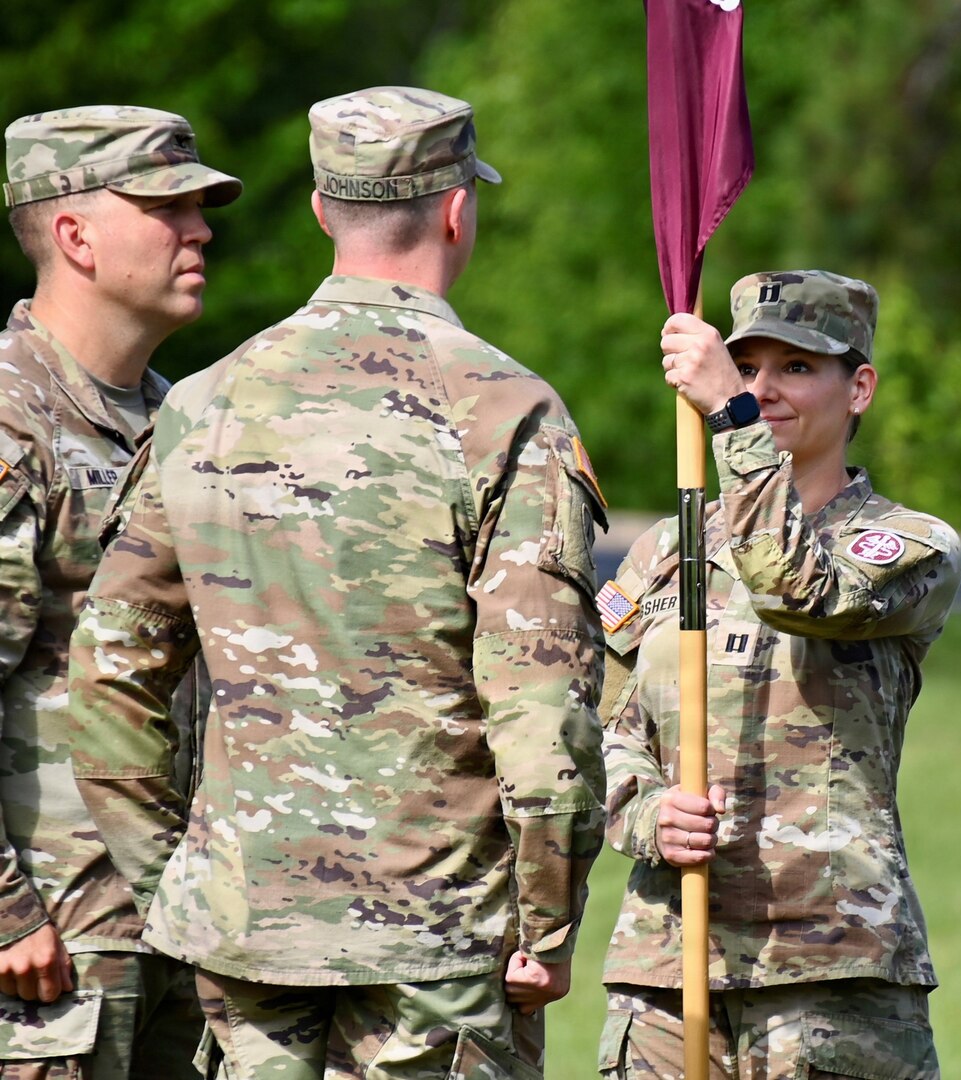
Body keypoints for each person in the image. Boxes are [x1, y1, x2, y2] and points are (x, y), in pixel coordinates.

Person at [64, 86, 607, 1079]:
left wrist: (178, 886)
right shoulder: (503, 409)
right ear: (456, 209)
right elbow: (543, 709)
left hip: (248, 930)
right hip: (438, 944)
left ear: (321, 211)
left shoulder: (201, 405)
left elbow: (107, 681)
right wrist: (546, 917)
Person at [595, 271, 961, 1079]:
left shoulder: (907, 543)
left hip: (829, 969)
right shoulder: (668, 549)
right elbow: (594, 720)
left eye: (796, 367)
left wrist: (732, 422)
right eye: (747, 367)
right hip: (669, 971)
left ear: (858, 386)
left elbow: (797, 589)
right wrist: (647, 812)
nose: (763, 388)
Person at [0, 105, 239, 1078]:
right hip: (48, 947)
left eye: (200, 207)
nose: (201, 230)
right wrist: (7, 912)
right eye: (167, 207)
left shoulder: (176, 420)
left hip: (168, 931)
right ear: (74, 235)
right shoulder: (14, 421)